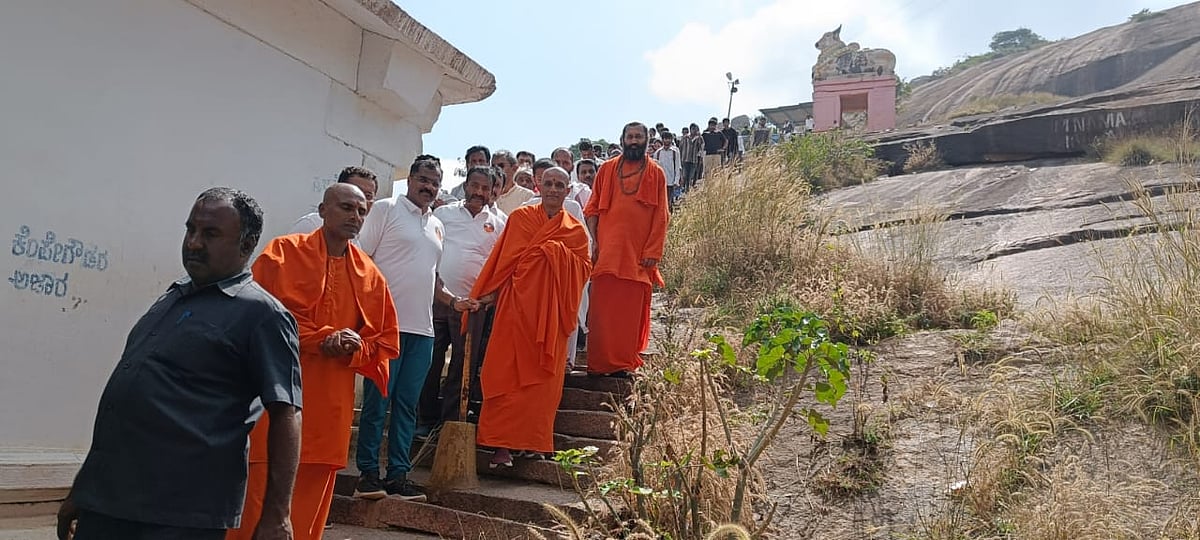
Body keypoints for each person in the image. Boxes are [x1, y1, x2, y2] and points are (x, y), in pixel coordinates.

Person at [59, 188, 302, 540]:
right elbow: (122, 405)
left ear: (247, 244)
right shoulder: (172, 298)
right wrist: (83, 487)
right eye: (191, 230)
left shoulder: (262, 314)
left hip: (182, 512)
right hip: (109, 500)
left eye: (210, 234)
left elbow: (286, 413)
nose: (193, 243)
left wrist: (277, 516)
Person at [229, 184, 399, 540]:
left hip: (328, 413)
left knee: (306, 516)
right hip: (273, 405)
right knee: (256, 505)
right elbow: (253, 313)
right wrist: (321, 339)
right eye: (345, 207)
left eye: (361, 211)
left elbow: (384, 342)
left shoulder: (371, 276)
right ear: (322, 210)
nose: (355, 217)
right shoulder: (282, 254)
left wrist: (353, 347)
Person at [354, 155, 468, 501]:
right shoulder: (385, 210)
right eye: (423, 179)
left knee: (408, 405)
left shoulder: (437, 225)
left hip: (423, 330)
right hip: (385, 326)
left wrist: (453, 301)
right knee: (378, 401)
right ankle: (368, 475)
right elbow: (360, 259)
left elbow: (432, 278)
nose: (429, 187)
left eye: (435, 182)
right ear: (410, 180)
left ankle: (399, 475)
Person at [470, 166, 591, 467]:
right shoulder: (520, 219)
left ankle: (534, 441)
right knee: (506, 374)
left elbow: (584, 269)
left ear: (567, 191)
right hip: (515, 309)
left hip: (552, 316)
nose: (552, 189)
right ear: (538, 187)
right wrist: (485, 293)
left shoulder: (575, 231)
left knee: (542, 384)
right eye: (547, 183)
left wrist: (554, 253)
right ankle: (500, 446)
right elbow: (503, 261)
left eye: (559, 185)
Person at [417, 166, 506, 435]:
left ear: (493, 191)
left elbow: (502, 265)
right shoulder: (442, 215)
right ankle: (424, 419)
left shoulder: (501, 223)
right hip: (438, 298)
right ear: (465, 186)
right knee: (429, 362)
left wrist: (488, 298)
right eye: (474, 186)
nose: (478, 192)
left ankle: (451, 424)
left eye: (484, 188)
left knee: (462, 364)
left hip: (474, 306)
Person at [584, 122, 669, 377]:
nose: (634, 141)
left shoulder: (656, 173)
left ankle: (622, 364)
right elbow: (592, 208)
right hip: (607, 255)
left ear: (646, 140)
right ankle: (598, 365)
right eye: (629, 136)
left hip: (637, 257)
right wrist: (595, 241)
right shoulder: (607, 169)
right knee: (602, 314)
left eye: (638, 137)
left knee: (628, 316)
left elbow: (661, 215)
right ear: (622, 139)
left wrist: (653, 252)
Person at [291, 167, 379, 234]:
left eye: (368, 195)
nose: (361, 198)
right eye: (356, 191)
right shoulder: (311, 225)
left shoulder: (356, 240)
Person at [655, 132, 682, 207]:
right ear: (662, 140)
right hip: (660, 182)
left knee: (669, 202)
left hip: (671, 181)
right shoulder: (658, 153)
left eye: (668, 139)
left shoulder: (675, 152)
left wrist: (676, 181)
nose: (667, 141)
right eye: (665, 139)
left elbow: (678, 166)